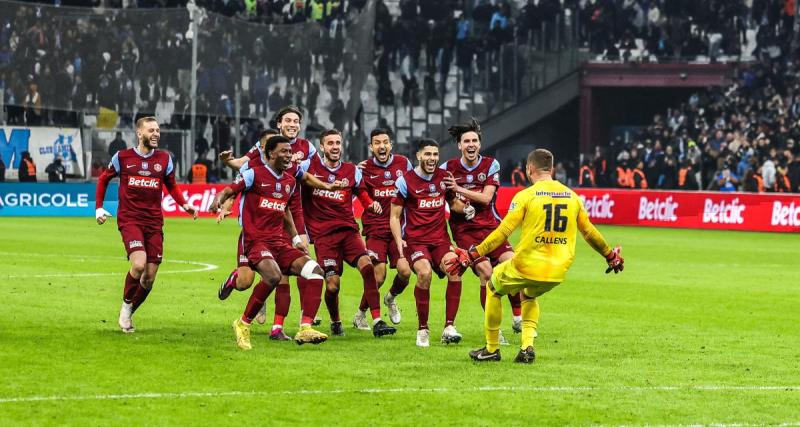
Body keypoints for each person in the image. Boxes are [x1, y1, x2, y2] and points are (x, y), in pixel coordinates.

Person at [447, 149, 624, 363]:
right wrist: (610, 255)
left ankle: (492, 348)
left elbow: (502, 233)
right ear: (552, 169)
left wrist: (473, 253)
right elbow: (589, 232)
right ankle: (526, 347)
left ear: (529, 169)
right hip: (557, 270)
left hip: (526, 265)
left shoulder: (525, 196)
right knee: (529, 295)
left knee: (493, 288)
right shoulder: (572, 196)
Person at [216, 129, 351, 341]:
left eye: (290, 151)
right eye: (284, 152)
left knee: (316, 272)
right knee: (272, 276)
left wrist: (296, 239)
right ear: (270, 154)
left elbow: (285, 211)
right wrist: (219, 201)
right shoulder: (254, 173)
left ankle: (305, 328)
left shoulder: (289, 181)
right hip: (255, 241)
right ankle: (243, 323)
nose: (289, 155)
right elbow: (230, 189)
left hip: (279, 242)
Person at [219, 105, 320, 335]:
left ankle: (292, 326)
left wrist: (328, 185)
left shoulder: (304, 153)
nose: (293, 124)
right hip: (254, 235)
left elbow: (308, 178)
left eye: (296, 121)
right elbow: (234, 183)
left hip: (285, 225)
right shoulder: (256, 166)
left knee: (303, 272)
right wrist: (224, 202)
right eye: (288, 120)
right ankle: (242, 290)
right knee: (250, 280)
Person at [95, 117, 198, 333]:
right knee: (139, 264)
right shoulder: (122, 157)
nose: (156, 134)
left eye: (158, 130)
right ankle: (125, 307)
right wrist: (98, 207)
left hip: (154, 222)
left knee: (149, 277)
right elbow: (104, 179)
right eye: (151, 130)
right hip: (130, 219)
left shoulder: (164, 159)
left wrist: (185, 204)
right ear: (139, 134)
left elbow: (171, 185)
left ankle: (130, 310)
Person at [298, 129, 397, 338]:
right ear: (322, 147)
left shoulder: (351, 170)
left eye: (338, 143)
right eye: (330, 143)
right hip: (324, 236)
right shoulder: (309, 166)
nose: (335, 147)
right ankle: (335, 321)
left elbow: (361, 193)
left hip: (349, 231)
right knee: (333, 286)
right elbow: (295, 177)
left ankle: (377, 319)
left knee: (368, 267)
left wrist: (371, 205)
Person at [440, 119, 521, 346]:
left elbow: (486, 199)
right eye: (466, 140)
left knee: (512, 265)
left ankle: (517, 317)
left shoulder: (490, 164)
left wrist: (459, 189)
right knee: (486, 271)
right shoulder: (448, 168)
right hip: (465, 231)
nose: (471, 144)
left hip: (491, 227)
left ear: (479, 143)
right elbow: (451, 202)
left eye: (474, 140)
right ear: (459, 145)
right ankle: (494, 330)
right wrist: (461, 206)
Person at [390, 138, 474, 347]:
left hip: (440, 241)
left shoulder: (444, 178)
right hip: (415, 241)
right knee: (425, 273)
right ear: (418, 156)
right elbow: (394, 216)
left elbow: (453, 203)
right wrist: (399, 241)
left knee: (454, 270)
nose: (432, 158)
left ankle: (449, 327)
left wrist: (465, 209)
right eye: (427, 154)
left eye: (435, 154)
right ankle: (423, 329)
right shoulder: (405, 181)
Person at [353, 129, 413, 329]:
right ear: (371, 147)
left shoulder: (404, 164)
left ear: (391, 145)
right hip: (375, 229)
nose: (381, 146)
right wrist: (353, 170)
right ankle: (361, 314)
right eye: (377, 143)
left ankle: (390, 297)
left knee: (405, 272)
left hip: (398, 231)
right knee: (378, 276)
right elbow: (352, 191)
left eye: (385, 142)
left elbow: (413, 191)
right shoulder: (363, 169)